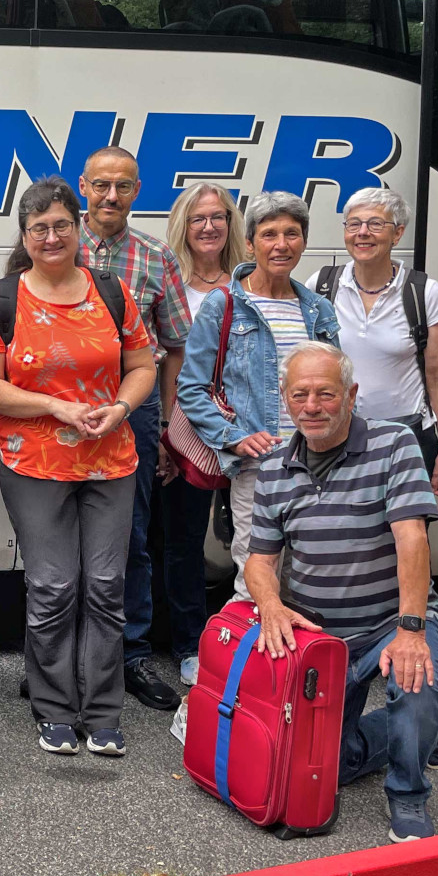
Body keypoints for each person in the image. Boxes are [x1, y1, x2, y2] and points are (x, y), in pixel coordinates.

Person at [0, 178, 155, 758]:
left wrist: (120, 407)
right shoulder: (4, 296)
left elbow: (143, 365)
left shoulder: (111, 290)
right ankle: (52, 710)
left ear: (78, 229)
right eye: (38, 228)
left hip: (111, 460)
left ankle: (101, 712)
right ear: (25, 236)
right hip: (35, 464)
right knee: (52, 586)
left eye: (61, 226)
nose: (51, 237)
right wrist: (54, 406)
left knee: (105, 586)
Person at [245, 342, 438, 843]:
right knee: (328, 766)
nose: (312, 406)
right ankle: (431, 720)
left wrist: (410, 630)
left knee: (413, 679)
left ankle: (408, 795)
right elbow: (260, 561)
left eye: (325, 393)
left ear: (352, 394)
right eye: (300, 395)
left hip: (390, 621)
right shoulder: (274, 467)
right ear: (285, 398)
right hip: (323, 637)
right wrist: (270, 605)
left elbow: (412, 538)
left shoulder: (393, 444)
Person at [177, 191, 339, 599]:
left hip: (316, 466)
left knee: (307, 584)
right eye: (269, 234)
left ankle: (297, 664)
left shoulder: (318, 309)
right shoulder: (225, 304)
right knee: (256, 584)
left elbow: (335, 388)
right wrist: (234, 437)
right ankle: (251, 662)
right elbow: (191, 388)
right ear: (250, 243)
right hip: (258, 471)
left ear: (304, 241)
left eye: (292, 234)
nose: (281, 245)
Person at [77, 146, 190, 714]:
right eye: (100, 185)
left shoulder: (155, 256)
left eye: (122, 187)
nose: (110, 197)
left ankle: (131, 655)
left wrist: (167, 422)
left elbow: (173, 346)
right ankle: (60, 660)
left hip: (133, 408)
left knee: (132, 535)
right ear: (83, 186)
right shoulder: (52, 241)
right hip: (58, 409)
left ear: (137, 190)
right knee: (58, 536)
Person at [307, 188, 438, 491]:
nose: (363, 233)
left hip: (406, 435)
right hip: (338, 435)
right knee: (339, 531)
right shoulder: (323, 285)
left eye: (376, 224)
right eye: (354, 224)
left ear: (397, 233)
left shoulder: (423, 292)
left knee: (407, 532)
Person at [158, 182, 248, 685]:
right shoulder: (171, 282)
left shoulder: (248, 281)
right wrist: (166, 432)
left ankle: (246, 634)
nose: (209, 226)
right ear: (183, 228)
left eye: (218, 217)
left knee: (248, 536)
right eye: (198, 219)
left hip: (245, 430)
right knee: (184, 541)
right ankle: (190, 644)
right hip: (186, 429)